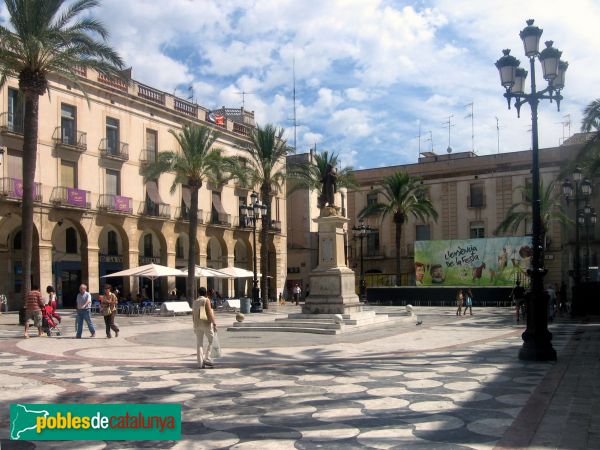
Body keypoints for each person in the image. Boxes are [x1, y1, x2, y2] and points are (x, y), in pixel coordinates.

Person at [192, 287, 217, 369]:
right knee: (212, 340)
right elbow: (209, 312)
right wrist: (214, 323)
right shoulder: (206, 300)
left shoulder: (195, 302)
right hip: (205, 324)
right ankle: (207, 358)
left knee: (199, 343)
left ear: (198, 293)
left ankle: (200, 363)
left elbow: (193, 314)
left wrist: (194, 324)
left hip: (197, 324)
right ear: (205, 292)